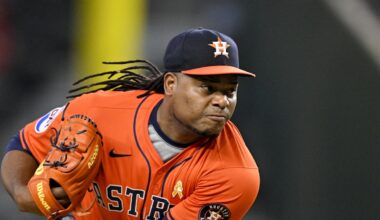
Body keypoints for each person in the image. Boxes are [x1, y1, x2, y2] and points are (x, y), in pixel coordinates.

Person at [1, 27, 260, 220]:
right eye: (207, 87)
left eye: (229, 91)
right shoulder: (99, 111)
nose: (221, 101)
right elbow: (23, 143)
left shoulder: (235, 173)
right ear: (170, 84)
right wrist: (22, 194)